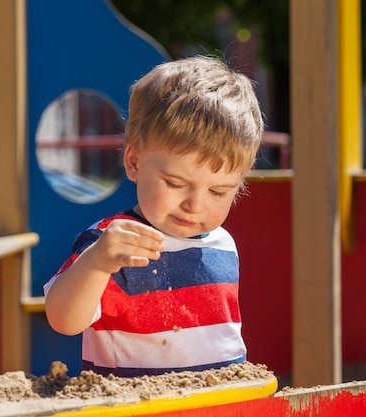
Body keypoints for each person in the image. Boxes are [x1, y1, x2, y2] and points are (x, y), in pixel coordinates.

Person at [43, 56, 264, 377]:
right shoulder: (112, 243)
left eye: (218, 192)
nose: (195, 204)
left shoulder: (222, 243)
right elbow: (63, 320)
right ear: (134, 162)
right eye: (175, 183)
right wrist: (96, 264)